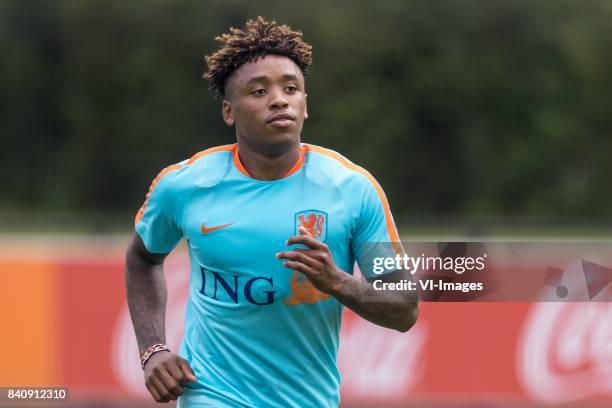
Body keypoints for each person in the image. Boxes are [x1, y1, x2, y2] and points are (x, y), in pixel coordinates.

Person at [125, 16, 418, 408]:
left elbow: (405, 310)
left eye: (291, 89)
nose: (279, 99)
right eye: (259, 91)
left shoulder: (352, 189)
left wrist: (339, 283)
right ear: (229, 112)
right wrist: (153, 350)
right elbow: (143, 259)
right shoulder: (184, 186)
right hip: (211, 395)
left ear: (305, 105)